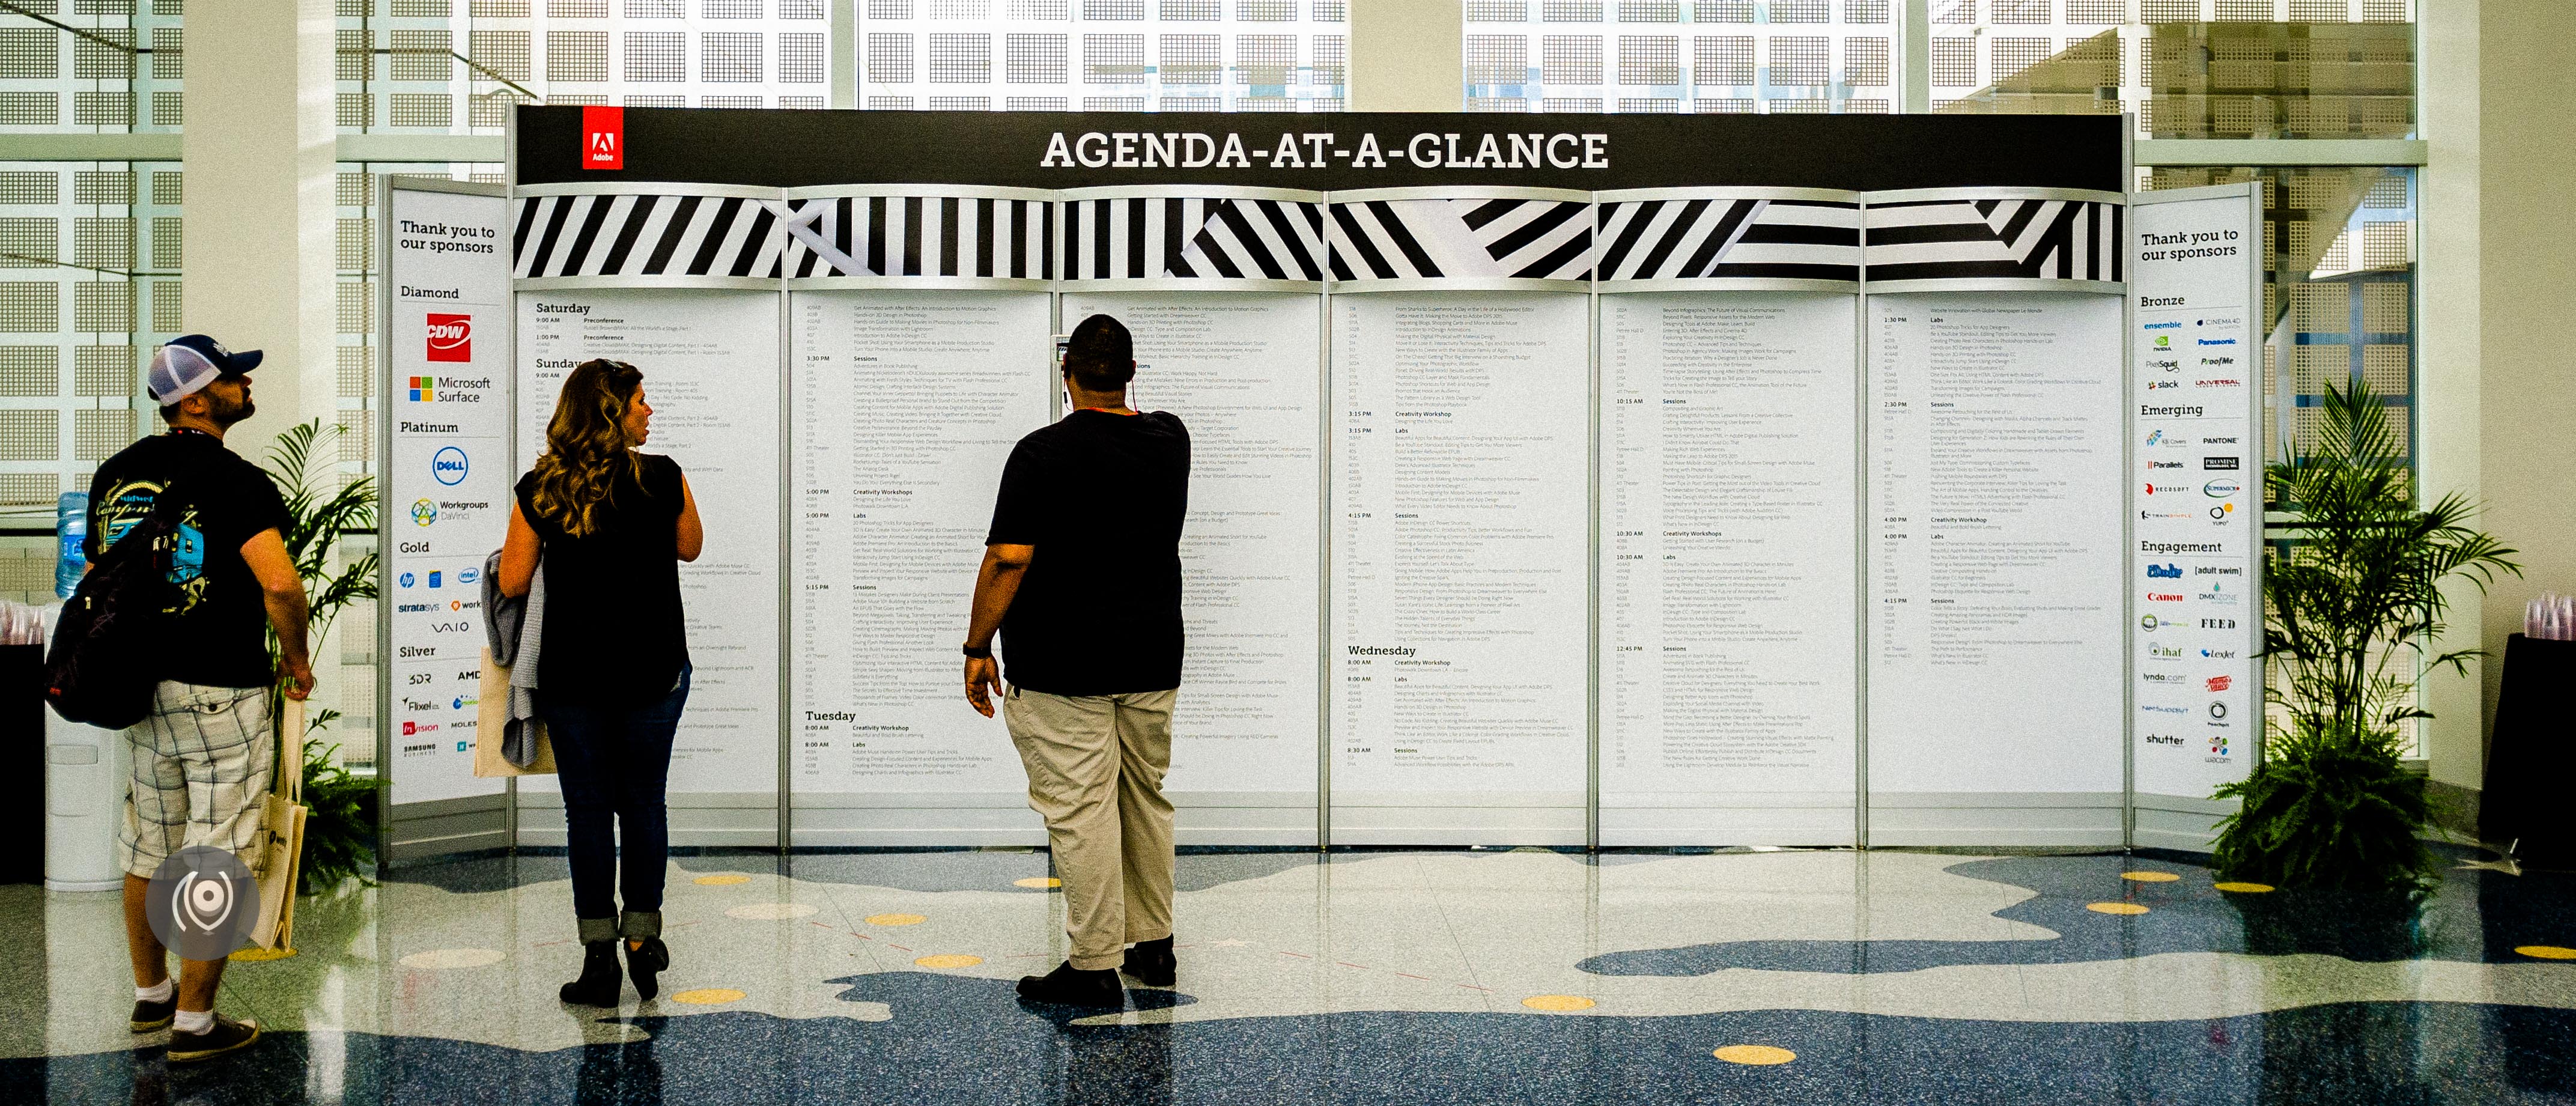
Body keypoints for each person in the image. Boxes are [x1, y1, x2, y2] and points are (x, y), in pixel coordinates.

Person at [90, 335, 313, 1063]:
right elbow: (279, 584)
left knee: (149, 839)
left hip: (139, 686)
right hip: (222, 687)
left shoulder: (114, 476)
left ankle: (151, 995)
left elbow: (96, 572)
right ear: (195, 398)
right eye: (231, 378)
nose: (246, 383)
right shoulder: (240, 481)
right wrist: (298, 659)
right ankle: (194, 1021)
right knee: (220, 848)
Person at [964, 314, 1191, 1007]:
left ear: (1066, 378)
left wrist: (977, 646)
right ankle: (1153, 943)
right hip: (1152, 657)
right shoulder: (1171, 439)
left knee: (1081, 809)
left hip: (1064, 664)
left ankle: (1093, 963)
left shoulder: (1040, 454)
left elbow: (1009, 558)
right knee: (1143, 796)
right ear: (1130, 374)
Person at [497, 359, 703, 1007]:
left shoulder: (540, 487)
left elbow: (511, 581)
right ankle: (643, 937)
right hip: (654, 670)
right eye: (642, 401)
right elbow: (690, 546)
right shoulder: (663, 476)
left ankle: (597, 962)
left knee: (586, 813)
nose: (650, 412)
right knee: (644, 803)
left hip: (573, 676)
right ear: (615, 411)